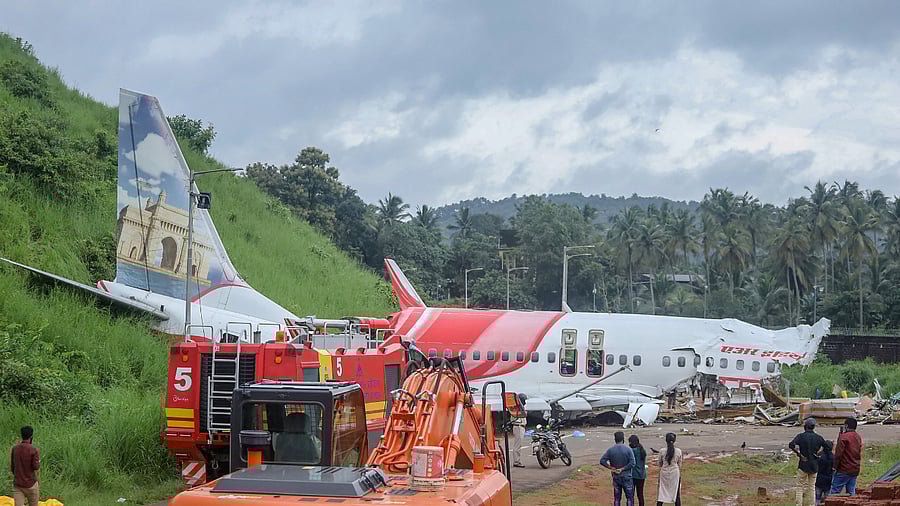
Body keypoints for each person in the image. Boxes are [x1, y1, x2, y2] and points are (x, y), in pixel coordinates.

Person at [789, 417, 826, 506]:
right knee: (812, 487)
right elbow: (827, 447)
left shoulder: (800, 436)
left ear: (805, 426)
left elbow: (791, 445)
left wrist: (799, 454)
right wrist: (818, 454)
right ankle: (811, 504)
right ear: (813, 427)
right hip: (814, 465)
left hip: (803, 464)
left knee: (799, 486)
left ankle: (799, 504)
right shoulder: (819, 438)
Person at [600, 431, 636, 506]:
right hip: (627, 476)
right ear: (623, 439)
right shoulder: (628, 449)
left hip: (616, 477)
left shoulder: (611, 450)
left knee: (617, 498)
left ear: (615, 439)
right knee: (629, 498)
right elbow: (633, 463)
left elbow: (602, 461)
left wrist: (610, 467)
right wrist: (623, 468)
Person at [830, 417, 862, 496]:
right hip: (855, 468)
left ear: (846, 426)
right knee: (851, 491)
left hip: (844, 469)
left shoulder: (844, 437)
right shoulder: (858, 436)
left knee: (834, 492)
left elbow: (838, 454)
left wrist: (834, 467)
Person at [10, 425, 40, 506]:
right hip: (31, 484)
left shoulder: (15, 449)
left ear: (22, 435)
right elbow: (36, 467)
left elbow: (13, 467)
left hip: (18, 485)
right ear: (31, 436)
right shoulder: (34, 450)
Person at [656, 432, 682, 506]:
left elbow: (659, 463)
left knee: (661, 493)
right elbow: (679, 464)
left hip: (664, 473)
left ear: (666, 440)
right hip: (675, 473)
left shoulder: (662, 451)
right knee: (676, 493)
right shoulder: (678, 451)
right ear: (674, 441)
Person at [629, 434, 647, 506]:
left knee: (631, 494)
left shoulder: (633, 451)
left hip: (634, 475)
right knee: (640, 494)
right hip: (642, 475)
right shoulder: (642, 450)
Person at [815, 440, 834, 505]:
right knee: (827, 499)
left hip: (819, 479)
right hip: (829, 479)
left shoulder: (820, 457)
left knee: (817, 498)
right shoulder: (833, 457)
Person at [512, 393, 527, 468]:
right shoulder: (516, 408)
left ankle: (517, 460)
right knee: (517, 445)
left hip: (521, 426)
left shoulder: (521, 407)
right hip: (518, 426)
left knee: (519, 445)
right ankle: (516, 461)